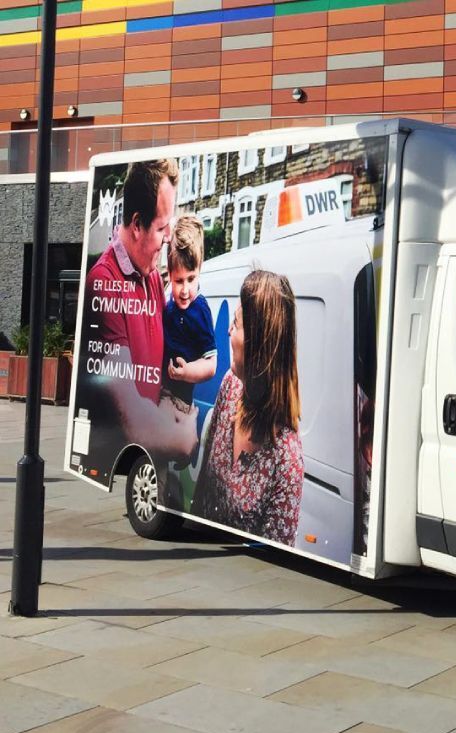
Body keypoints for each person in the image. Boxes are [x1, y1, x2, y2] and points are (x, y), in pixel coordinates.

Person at [84, 159, 197, 463]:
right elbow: (132, 418)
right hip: (118, 455)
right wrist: (184, 437)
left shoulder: (150, 277)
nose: (168, 237)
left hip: (149, 456)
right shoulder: (104, 281)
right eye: (162, 227)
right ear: (136, 225)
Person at [194, 270, 304, 546]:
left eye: (236, 323)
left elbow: (273, 559)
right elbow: (202, 485)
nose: (229, 330)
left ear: (259, 344)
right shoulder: (230, 387)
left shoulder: (286, 460)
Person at [162, 214, 217, 409]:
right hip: (160, 393)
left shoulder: (200, 310)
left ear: (200, 270)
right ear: (169, 274)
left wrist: (187, 372)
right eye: (179, 281)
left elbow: (211, 364)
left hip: (180, 403)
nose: (185, 290)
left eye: (191, 279)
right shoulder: (169, 303)